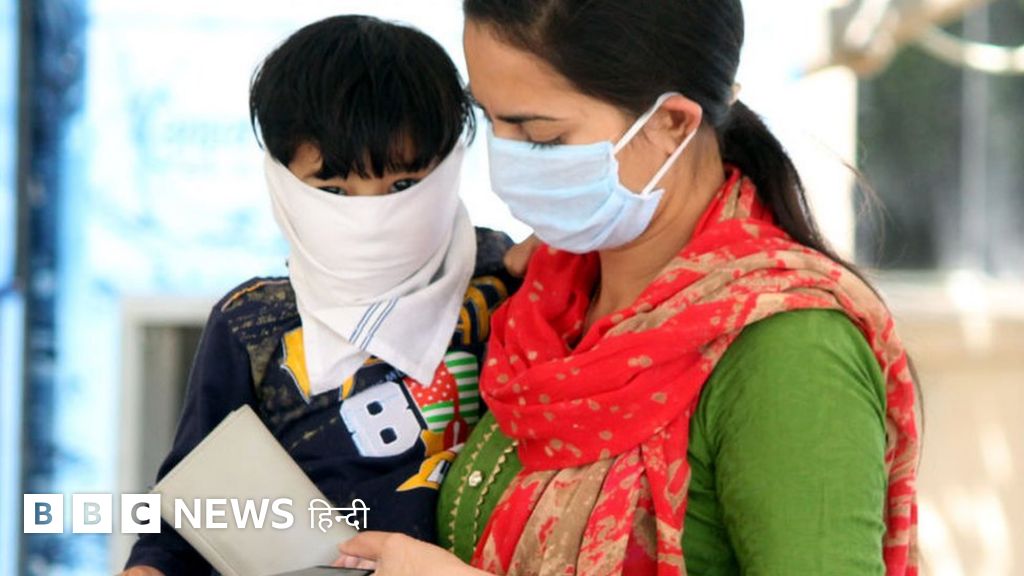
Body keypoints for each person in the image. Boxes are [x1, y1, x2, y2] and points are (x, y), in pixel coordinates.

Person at [333, 1, 921, 575]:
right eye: (489, 119)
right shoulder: (543, 298)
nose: (504, 160)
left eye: (539, 136)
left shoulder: (789, 350)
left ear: (672, 124)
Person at [122, 15, 518, 576]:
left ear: (449, 163)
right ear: (283, 181)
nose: (373, 215)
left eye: (403, 186)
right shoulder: (254, 324)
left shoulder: (510, 282)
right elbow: (186, 510)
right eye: (334, 190)